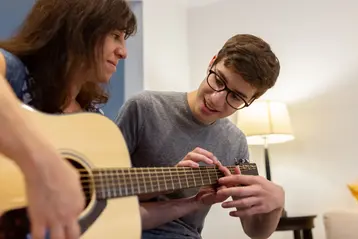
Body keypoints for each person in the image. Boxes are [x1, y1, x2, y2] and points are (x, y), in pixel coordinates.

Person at [115, 34, 285, 239]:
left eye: (235, 97)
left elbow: (255, 232)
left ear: (251, 99)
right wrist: (171, 180)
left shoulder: (235, 142)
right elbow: (101, 196)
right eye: (218, 80)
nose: (216, 99)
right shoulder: (144, 108)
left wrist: (276, 205)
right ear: (212, 62)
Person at [0, 0, 136, 238]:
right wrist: (41, 162)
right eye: (115, 35)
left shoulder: (95, 121)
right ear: (80, 28)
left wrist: (182, 202)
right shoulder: (14, 73)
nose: (123, 52)